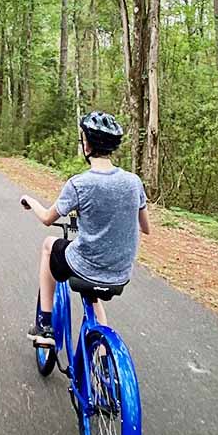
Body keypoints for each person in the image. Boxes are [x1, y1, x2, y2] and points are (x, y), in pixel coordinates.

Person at [20, 111, 150, 346]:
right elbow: (146, 227)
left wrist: (31, 200)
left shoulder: (79, 183)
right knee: (92, 297)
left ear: (86, 144)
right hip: (120, 273)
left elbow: (48, 218)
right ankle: (104, 362)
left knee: (49, 244)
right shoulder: (133, 182)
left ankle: (45, 325)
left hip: (86, 267)